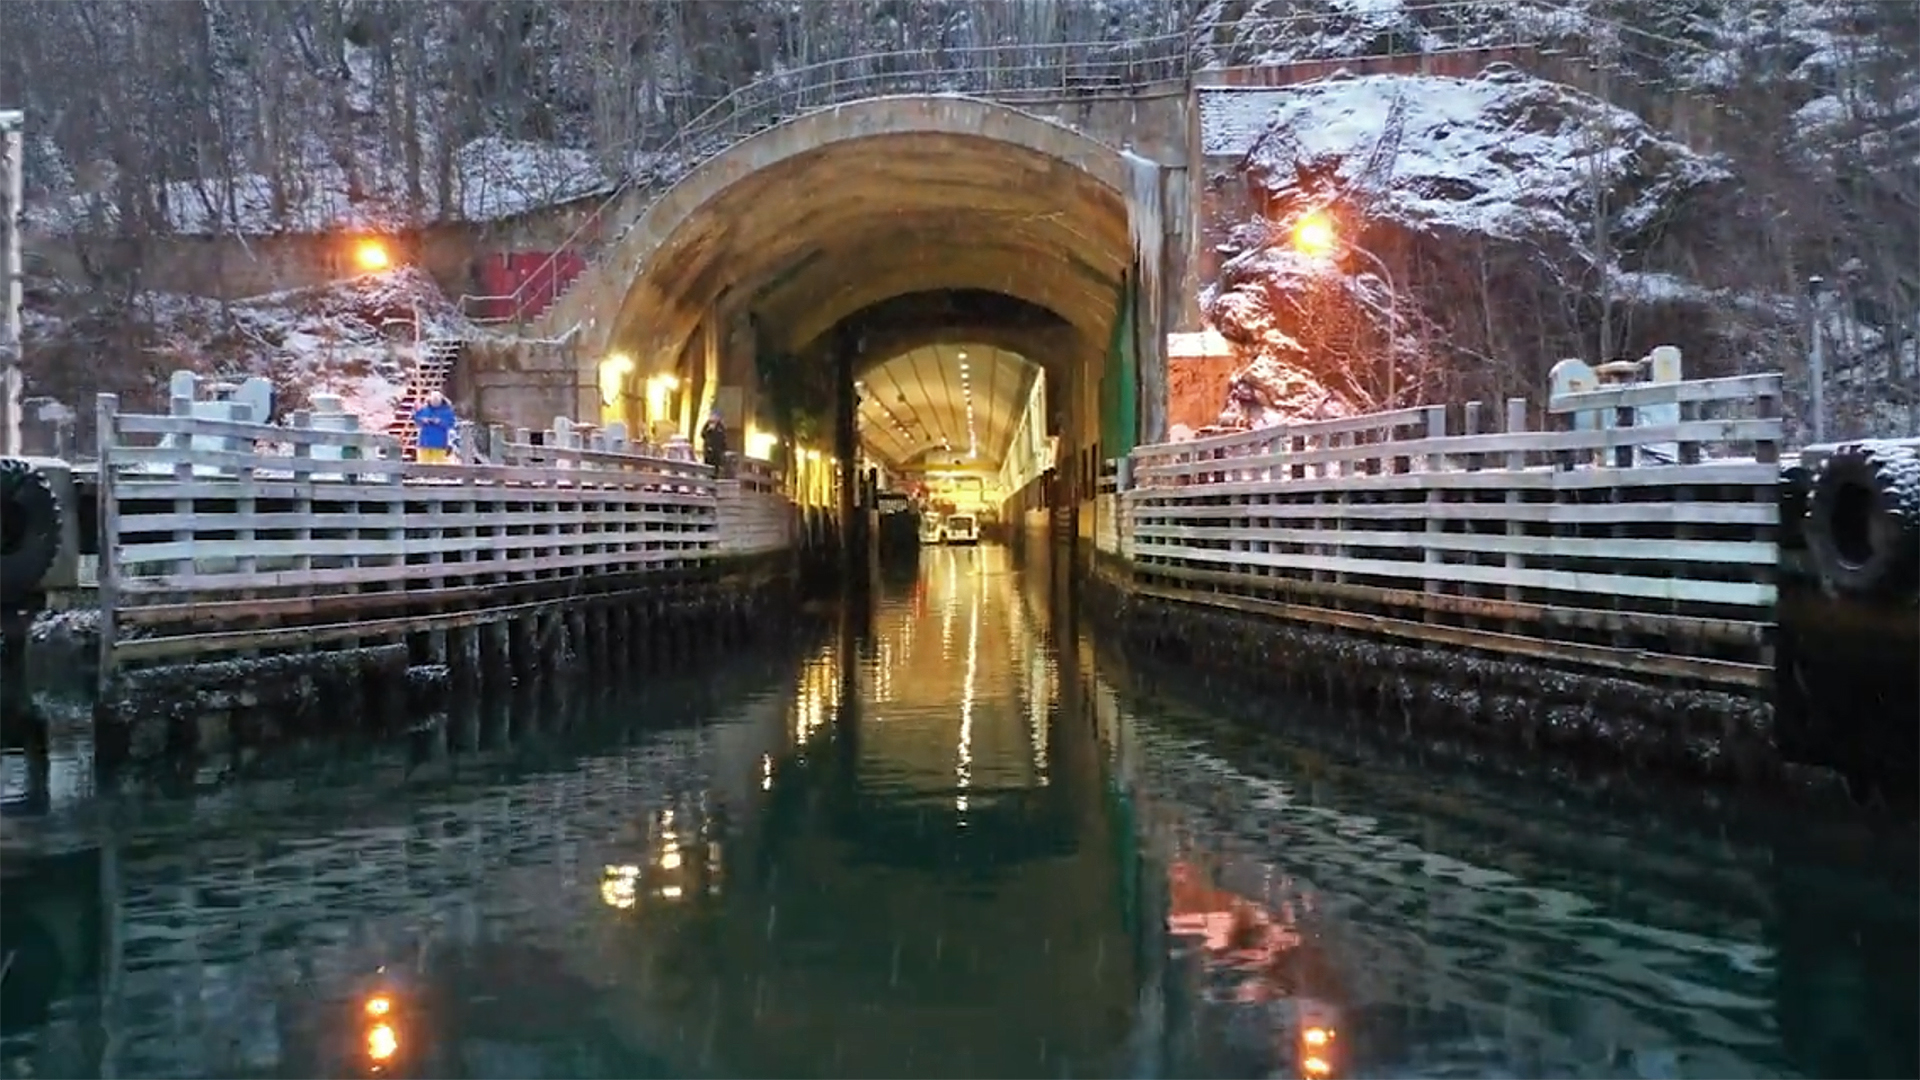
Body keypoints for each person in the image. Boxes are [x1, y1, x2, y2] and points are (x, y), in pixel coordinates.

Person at [413, 390, 457, 464]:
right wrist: (422, 420)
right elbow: (416, 419)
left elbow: (451, 424)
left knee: (440, 467)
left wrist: (440, 422)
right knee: (423, 467)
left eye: (436, 401)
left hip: (440, 444)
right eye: (433, 401)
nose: (435, 403)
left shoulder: (447, 411)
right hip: (425, 443)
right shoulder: (424, 409)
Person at [699, 406, 728, 474]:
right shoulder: (707, 425)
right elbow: (703, 434)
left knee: (715, 468)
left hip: (717, 452)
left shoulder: (720, 426)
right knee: (707, 466)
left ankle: (714, 478)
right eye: (712, 415)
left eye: (716, 416)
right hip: (708, 450)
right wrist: (709, 430)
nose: (713, 417)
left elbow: (723, 438)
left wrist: (723, 449)